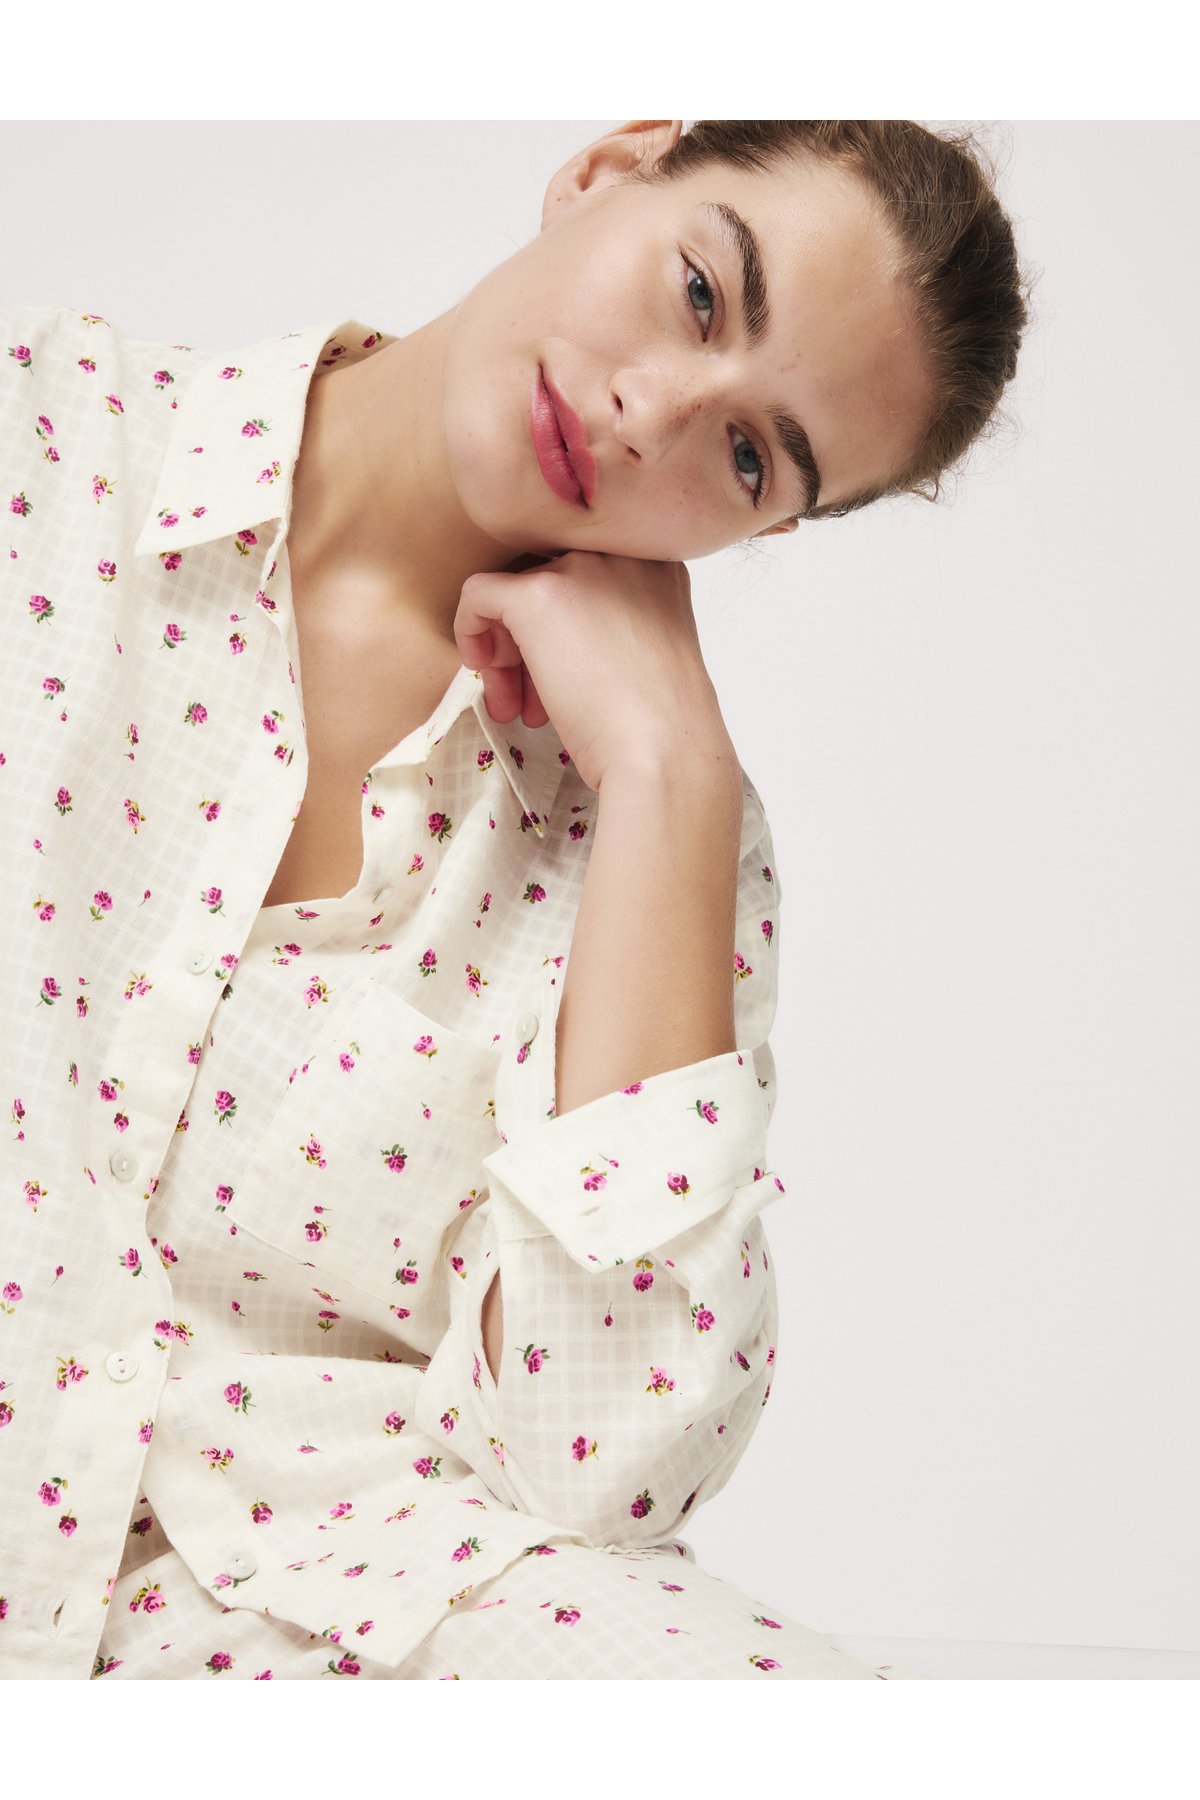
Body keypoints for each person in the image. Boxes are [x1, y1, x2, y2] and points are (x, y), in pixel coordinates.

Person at [0, 119, 1026, 1680]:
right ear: (613, 170)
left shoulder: (651, 833)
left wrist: (670, 781)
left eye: (751, 460)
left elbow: (598, 1470)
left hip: (283, 1615)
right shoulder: (47, 446)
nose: (652, 416)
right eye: (700, 292)